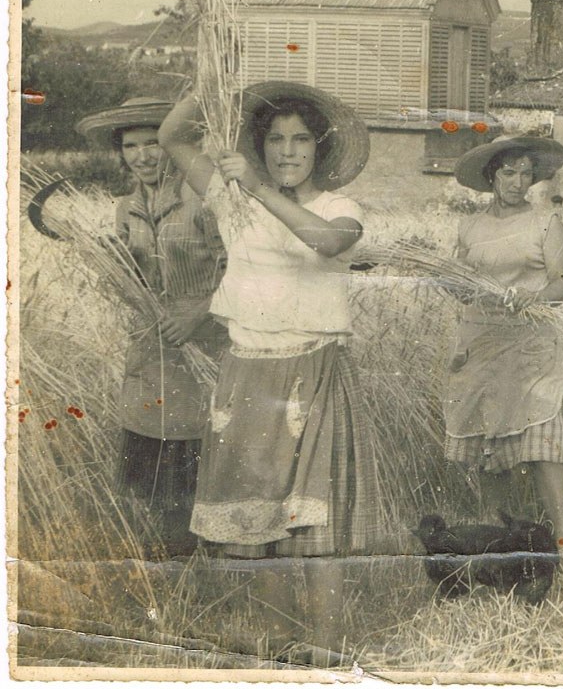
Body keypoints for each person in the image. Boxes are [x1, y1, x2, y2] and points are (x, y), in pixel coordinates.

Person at [158, 81, 378, 656]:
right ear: (260, 145)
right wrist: (208, 83)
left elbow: (328, 243)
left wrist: (254, 187)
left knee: (310, 517)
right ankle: (279, 638)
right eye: (276, 138)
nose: (288, 150)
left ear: (319, 149)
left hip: (313, 369)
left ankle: (326, 644)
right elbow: (173, 137)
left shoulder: (339, 207)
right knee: (252, 516)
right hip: (247, 369)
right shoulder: (231, 201)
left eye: (301, 139)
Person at [75, 97, 228, 558]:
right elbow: (134, 281)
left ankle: (210, 558)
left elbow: (242, 266)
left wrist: (198, 312)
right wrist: (115, 264)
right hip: (150, 349)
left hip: (206, 343)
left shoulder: (206, 199)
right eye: (130, 145)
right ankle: (172, 566)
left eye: (151, 144)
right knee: (156, 463)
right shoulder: (127, 207)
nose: (142, 155)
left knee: (199, 454)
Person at [445, 136, 563, 552]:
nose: (518, 182)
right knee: (488, 450)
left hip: (531, 347)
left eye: (525, 173)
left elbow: (562, 284)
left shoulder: (546, 223)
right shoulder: (471, 227)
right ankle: (500, 550)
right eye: (508, 172)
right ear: (491, 176)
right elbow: (461, 289)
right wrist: (452, 282)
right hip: (482, 344)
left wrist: (531, 299)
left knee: (543, 449)